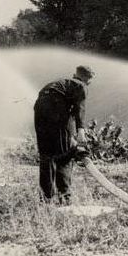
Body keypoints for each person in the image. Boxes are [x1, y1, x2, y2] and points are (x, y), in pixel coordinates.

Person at [33, 65, 94, 204]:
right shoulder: (81, 85)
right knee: (65, 154)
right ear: (87, 79)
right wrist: (81, 131)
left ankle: (45, 199)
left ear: (74, 74)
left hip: (40, 109)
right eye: (90, 81)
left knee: (46, 156)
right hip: (55, 106)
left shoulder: (62, 83)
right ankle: (65, 199)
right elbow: (80, 109)